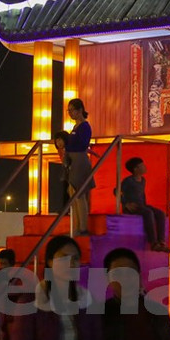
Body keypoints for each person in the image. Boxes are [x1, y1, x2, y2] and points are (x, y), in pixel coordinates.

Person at [119, 157, 168, 251]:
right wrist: (125, 204)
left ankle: (161, 241)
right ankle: (153, 243)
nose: (145, 167)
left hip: (142, 205)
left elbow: (142, 194)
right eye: (142, 166)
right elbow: (116, 191)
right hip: (133, 207)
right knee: (148, 213)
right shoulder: (128, 181)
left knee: (160, 213)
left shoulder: (143, 180)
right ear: (135, 169)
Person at [65, 98, 93, 237]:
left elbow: (82, 145)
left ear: (80, 110)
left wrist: (68, 146)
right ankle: (76, 225)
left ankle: (83, 227)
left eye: (72, 110)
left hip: (80, 160)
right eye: (68, 110)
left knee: (79, 194)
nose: (70, 113)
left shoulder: (84, 126)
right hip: (73, 161)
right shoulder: (74, 127)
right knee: (73, 194)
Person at [52, 130, 70, 210]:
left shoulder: (70, 149)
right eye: (56, 141)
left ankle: (66, 210)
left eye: (60, 140)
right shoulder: (60, 150)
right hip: (67, 173)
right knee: (65, 192)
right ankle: (65, 210)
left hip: (73, 173)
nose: (58, 143)